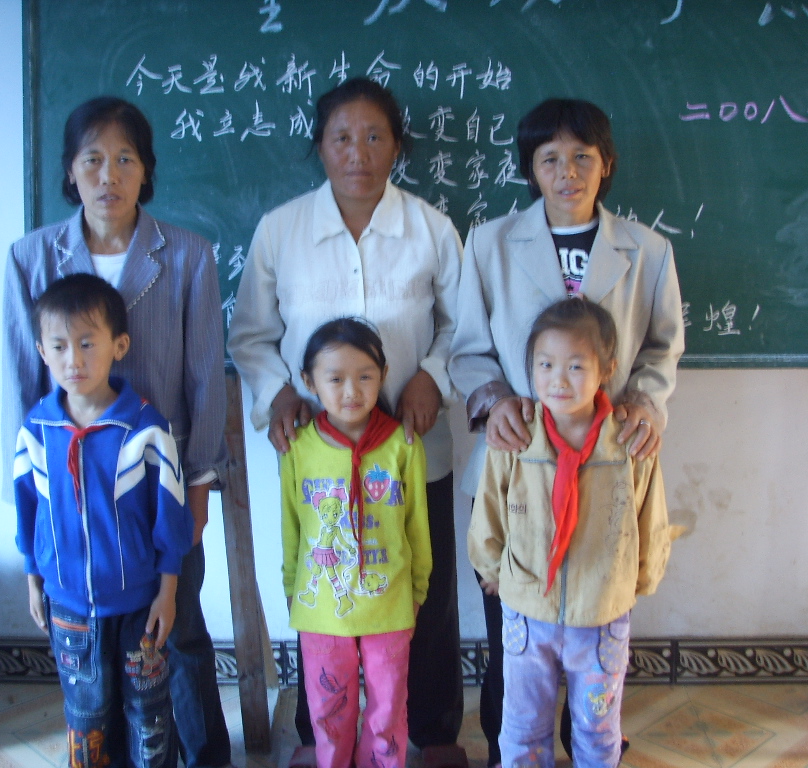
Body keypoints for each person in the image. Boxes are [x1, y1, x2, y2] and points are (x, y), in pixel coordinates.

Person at [228, 77, 466, 767]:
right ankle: (321, 737)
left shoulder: (431, 229)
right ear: (320, 146)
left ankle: (432, 734)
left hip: (411, 445)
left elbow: (465, 325)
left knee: (426, 589)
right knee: (324, 588)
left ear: (397, 146)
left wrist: (433, 374)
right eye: (341, 137)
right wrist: (279, 392)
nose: (357, 152)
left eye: (374, 136)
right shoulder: (281, 230)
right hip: (320, 457)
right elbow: (250, 335)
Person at [448, 98, 684, 765]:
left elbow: (663, 347)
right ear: (530, 168)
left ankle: (593, 743)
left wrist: (644, 402)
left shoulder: (647, 250)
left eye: (583, 156)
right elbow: (468, 348)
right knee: (514, 631)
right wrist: (494, 399)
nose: (567, 171)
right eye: (549, 158)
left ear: (607, 164)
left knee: (596, 626)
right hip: (518, 461)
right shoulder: (490, 244)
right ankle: (513, 745)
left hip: (607, 460)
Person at [2, 96, 231, 768]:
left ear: (146, 170)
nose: (110, 175)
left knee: (178, 628)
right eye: (93, 160)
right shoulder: (31, 258)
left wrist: (199, 486)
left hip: (158, 487)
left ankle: (204, 755)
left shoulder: (187, 256)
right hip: (73, 491)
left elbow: (205, 379)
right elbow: (19, 381)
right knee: (93, 643)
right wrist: (27, 507)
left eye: (126, 159)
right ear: (70, 171)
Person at [468, 298, 672, 767]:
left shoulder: (628, 440)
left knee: (598, 728)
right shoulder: (517, 435)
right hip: (527, 613)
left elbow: (650, 515)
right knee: (523, 726)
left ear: (607, 369)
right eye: (546, 365)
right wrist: (492, 567)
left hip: (601, 614)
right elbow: (490, 508)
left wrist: (640, 578)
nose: (558, 380)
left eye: (576, 366)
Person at [13, 274, 191, 768]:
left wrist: (168, 590)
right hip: (67, 605)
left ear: (119, 346)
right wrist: (33, 577)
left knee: (148, 714)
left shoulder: (145, 428)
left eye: (87, 343)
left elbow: (171, 516)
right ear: (42, 352)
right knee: (86, 713)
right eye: (59, 346)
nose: (74, 360)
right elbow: (29, 510)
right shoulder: (37, 430)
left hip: (139, 606)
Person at [282, 317, 432, 768]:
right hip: (322, 615)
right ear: (309, 382)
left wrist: (417, 589)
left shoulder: (403, 445)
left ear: (383, 376)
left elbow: (417, 525)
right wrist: (292, 588)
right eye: (335, 379)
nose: (351, 391)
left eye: (365, 377)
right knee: (329, 713)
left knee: (388, 710)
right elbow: (292, 525)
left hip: (390, 605)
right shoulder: (298, 448)